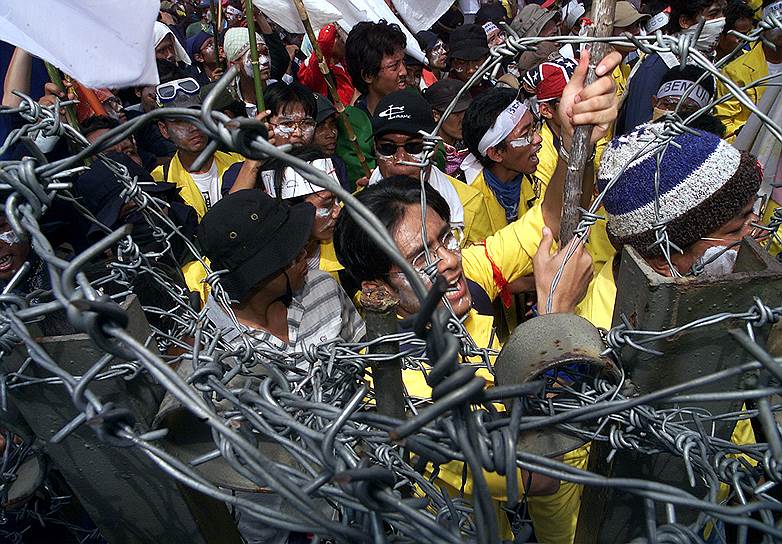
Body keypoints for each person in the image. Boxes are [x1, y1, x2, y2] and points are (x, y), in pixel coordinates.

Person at [198, 189, 365, 544]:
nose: (306, 256)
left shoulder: (323, 289)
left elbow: (361, 355)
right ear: (263, 273)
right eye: (294, 253)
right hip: (270, 504)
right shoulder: (213, 350)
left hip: (354, 467)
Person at [369, 90, 496, 245]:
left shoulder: (470, 204)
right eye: (387, 148)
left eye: (414, 147)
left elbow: (481, 266)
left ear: (434, 147)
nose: (401, 160)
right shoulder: (353, 210)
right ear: (375, 148)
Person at [617, 0, 727, 135]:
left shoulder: (707, 61)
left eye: (723, 14)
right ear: (685, 21)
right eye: (713, 14)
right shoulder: (658, 65)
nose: (721, 21)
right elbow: (636, 129)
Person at [151, 77, 243, 220]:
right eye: (181, 121)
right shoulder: (160, 180)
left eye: (197, 117)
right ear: (164, 129)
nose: (194, 127)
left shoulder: (239, 163)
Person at [345, 20, 407, 116]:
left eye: (403, 62)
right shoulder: (355, 126)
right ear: (368, 76)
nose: (404, 72)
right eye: (394, 66)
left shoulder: (414, 111)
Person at [422, 79, 472, 178]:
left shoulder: (472, 143)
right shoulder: (429, 153)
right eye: (456, 114)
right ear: (435, 115)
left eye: (466, 112)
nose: (464, 119)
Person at [297, 23, 355, 106]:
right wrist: (332, 22)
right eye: (337, 36)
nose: (343, 40)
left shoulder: (344, 65)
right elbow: (325, 43)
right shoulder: (315, 70)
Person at [446, 23, 491, 92]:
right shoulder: (445, 95)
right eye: (461, 63)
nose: (471, 70)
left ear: (487, 58)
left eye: (477, 60)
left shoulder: (495, 83)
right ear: (452, 63)